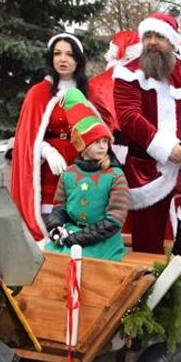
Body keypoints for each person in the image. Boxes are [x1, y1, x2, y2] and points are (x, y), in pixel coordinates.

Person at [113, 12, 181, 255]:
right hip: (146, 167)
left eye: (158, 36)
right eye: (147, 36)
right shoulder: (127, 73)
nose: (151, 42)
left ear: (171, 41)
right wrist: (166, 148)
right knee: (146, 248)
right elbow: (129, 117)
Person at [9, 32, 93, 241]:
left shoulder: (90, 93)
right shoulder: (38, 93)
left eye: (69, 54)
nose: (62, 59)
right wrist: (47, 150)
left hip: (83, 170)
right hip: (49, 173)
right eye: (57, 54)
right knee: (51, 229)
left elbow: (103, 131)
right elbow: (27, 138)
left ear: (78, 60)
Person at [42, 94, 129, 260]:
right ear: (84, 145)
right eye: (97, 142)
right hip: (71, 232)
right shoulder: (70, 173)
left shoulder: (115, 176)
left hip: (102, 241)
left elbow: (114, 220)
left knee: (73, 262)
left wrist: (77, 239)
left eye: (105, 142)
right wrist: (55, 227)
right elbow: (59, 208)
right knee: (45, 260)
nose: (103, 146)